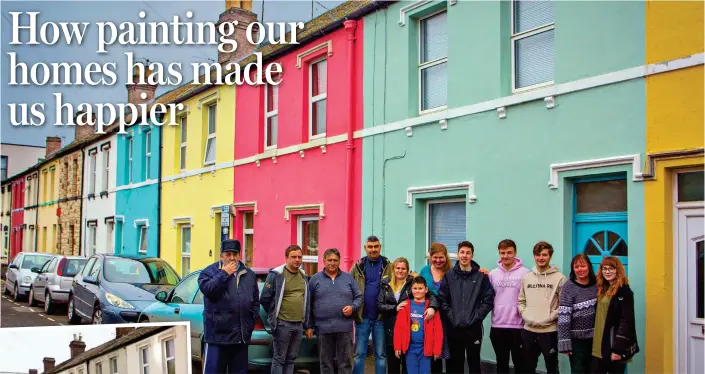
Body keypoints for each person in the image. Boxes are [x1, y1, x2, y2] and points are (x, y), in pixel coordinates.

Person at [198, 239, 259, 374]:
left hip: (240, 337)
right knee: (214, 371)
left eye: (235, 254)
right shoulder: (209, 272)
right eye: (228, 254)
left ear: (239, 255)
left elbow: (255, 301)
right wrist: (224, 274)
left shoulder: (249, 274)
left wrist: (250, 322)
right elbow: (208, 290)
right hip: (217, 336)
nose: (232, 258)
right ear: (221, 255)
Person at [437, 241, 495, 374]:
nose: (464, 255)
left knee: (474, 364)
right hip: (454, 327)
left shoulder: (481, 276)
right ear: (457, 254)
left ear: (472, 255)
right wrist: (451, 316)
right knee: (454, 365)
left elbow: (488, 300)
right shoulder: (449, 275)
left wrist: (476, 317)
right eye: (462, 252)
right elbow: (442, 298)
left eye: (468, 253)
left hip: (473, 328)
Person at [378, 258, 439, 374]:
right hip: (391, 328)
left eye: (403, 268)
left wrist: (432, 307)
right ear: (393, 269)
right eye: (398, 268)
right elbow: (379, 305)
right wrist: (395, 308)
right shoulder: (385, 283)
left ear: (407, 270)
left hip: (409, 331)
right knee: (393, 365)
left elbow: (430, 296)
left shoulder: (412, 283)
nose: (400, 271)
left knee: (409, 367)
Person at [309, 248, 362, 374]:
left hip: (344, 328)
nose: (332, 263)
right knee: (326, 364)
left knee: (345, 363)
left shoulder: (348, 278)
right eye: (329, 260)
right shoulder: (315, 279)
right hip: (323, 328)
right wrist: (310, 326)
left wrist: (352, 307)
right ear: (323, 261)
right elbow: (308, 304)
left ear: (339, 262)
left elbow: (359, 296)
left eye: (335, 260)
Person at [260, 245, 312, 374]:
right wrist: (274, 315)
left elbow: (307, 301)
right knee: (279, 358)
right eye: (293, 257)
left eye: (300, 257)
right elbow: (265, 298)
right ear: (286, 258)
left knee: (291, 359)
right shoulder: (277, 275)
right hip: (283, 323)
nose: (297, 260)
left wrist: (308, 325)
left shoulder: (303, 275)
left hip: (299, 324)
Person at [518, 241, 566, 374]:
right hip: (528, 331)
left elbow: (564, 305)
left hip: (549, 332)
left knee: (552, 368)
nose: (541, 258)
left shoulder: (560, 278)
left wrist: (550, 317)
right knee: (527, 368)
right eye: (538, 255)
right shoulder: (527, 278)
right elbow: (521, 300)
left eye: (544, 255)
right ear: (534, 256)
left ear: (550, 256)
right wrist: (524, 314)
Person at [351, 235, 394, 374]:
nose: (373, 249)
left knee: (380, 355)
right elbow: (348, 287)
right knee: (359, 354)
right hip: (362, 317)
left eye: (376, 246)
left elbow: (401, 280)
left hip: (381, 318)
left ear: (380, 247)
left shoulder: (389, 266)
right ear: (365, 248)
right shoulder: (358, 267)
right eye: (370, 247)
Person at [488, 239, 530, 374]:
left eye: (509, 252)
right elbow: (488, 297)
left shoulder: (525, 273)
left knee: (520, 364)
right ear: (499, 253)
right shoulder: (492, 274)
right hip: (498, 326)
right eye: (502, 253)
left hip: (518, 327)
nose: (506, 256)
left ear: (515, 253)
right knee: (501, 364)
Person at [591, 257, 639, 374]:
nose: (607, 272)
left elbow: (626, 321)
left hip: (613, 344)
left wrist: (617, 349)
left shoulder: (624, 292)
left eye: (611, 269)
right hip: (598, 344)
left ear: (618, 271)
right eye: (605, 269)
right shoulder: (602, 289)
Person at [393, 276, 443, 374]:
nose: (417, 291)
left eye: (420, 288)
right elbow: (398, 328)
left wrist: (437, 350)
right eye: (415, 288)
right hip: (410, 348)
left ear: (426, 290)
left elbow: (438, 330)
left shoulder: (431, 308)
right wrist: (397, 346)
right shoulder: (405, 306)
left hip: (425, 348)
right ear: (411, 290)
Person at [558, 253, 598, 374]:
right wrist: (564, 343)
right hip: (577, 342)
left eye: (583, 266)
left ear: (589, 267)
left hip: (596, 339)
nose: (580, 269)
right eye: (576, 267)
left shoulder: (598, 284)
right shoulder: (568, 287)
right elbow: (564, 317)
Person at [418, 243, 452, 374]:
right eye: (435, 257)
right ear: (430, 257)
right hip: (429, 316)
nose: (438, 260)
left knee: (448, 351)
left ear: (446, 257)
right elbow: (419, 289)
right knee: (433, 351)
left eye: (441, 257)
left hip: (447, 318)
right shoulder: (425, 270)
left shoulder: (451, 271)